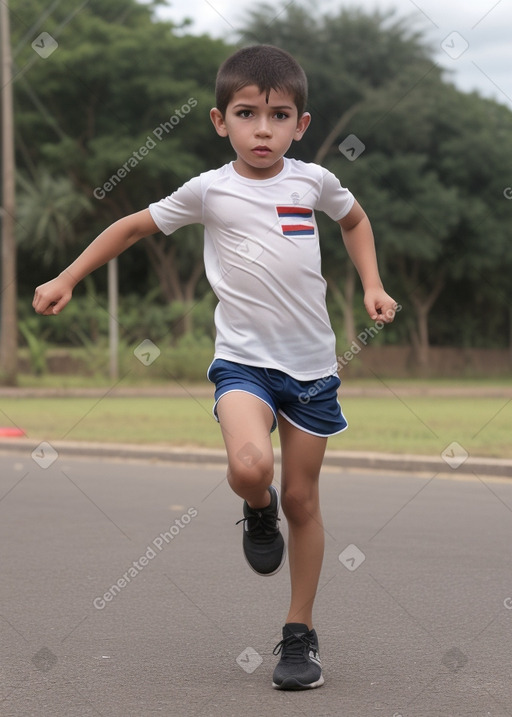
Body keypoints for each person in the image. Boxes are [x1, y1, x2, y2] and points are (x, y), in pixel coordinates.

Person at [33, 44, 397, 690]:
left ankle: (299, 632)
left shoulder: (313, 182)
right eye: (247, 113)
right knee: (251, 466)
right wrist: (67, 275)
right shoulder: (210, 190)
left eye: (280, 115)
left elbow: (357, 220)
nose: (264, 129)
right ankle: (256, 508)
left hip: (312, 368)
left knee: (303, 497)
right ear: (219, 120)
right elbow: (131, 227)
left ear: (301, 125)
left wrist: (372, 283)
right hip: (243, 364)